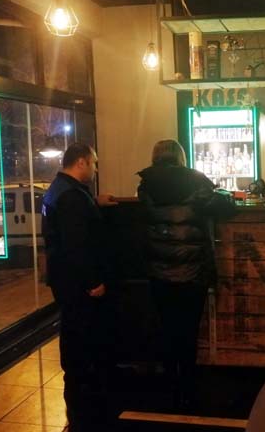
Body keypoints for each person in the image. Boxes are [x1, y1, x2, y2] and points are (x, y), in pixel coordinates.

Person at [136, 139, 235, 409]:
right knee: (188, 331)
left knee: (167, 328)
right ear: (181, 156)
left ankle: (170, 384)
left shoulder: (146, 184)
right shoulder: (195, 180)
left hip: (159, 271)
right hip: (192, 271)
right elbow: (225, 208)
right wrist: (224, 194)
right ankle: (188, 388)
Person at [41, 143, 118, 431]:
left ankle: (78, 381)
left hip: (64, 279)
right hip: (76, 283)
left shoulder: (59, 190)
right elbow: (77, 245)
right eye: (94, 163)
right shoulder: (71, 197)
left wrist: (94, 202)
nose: (95, 169)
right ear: (81, 162)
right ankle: (82, 398)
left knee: (73, 328)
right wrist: (93, 281)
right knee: (79, 334)